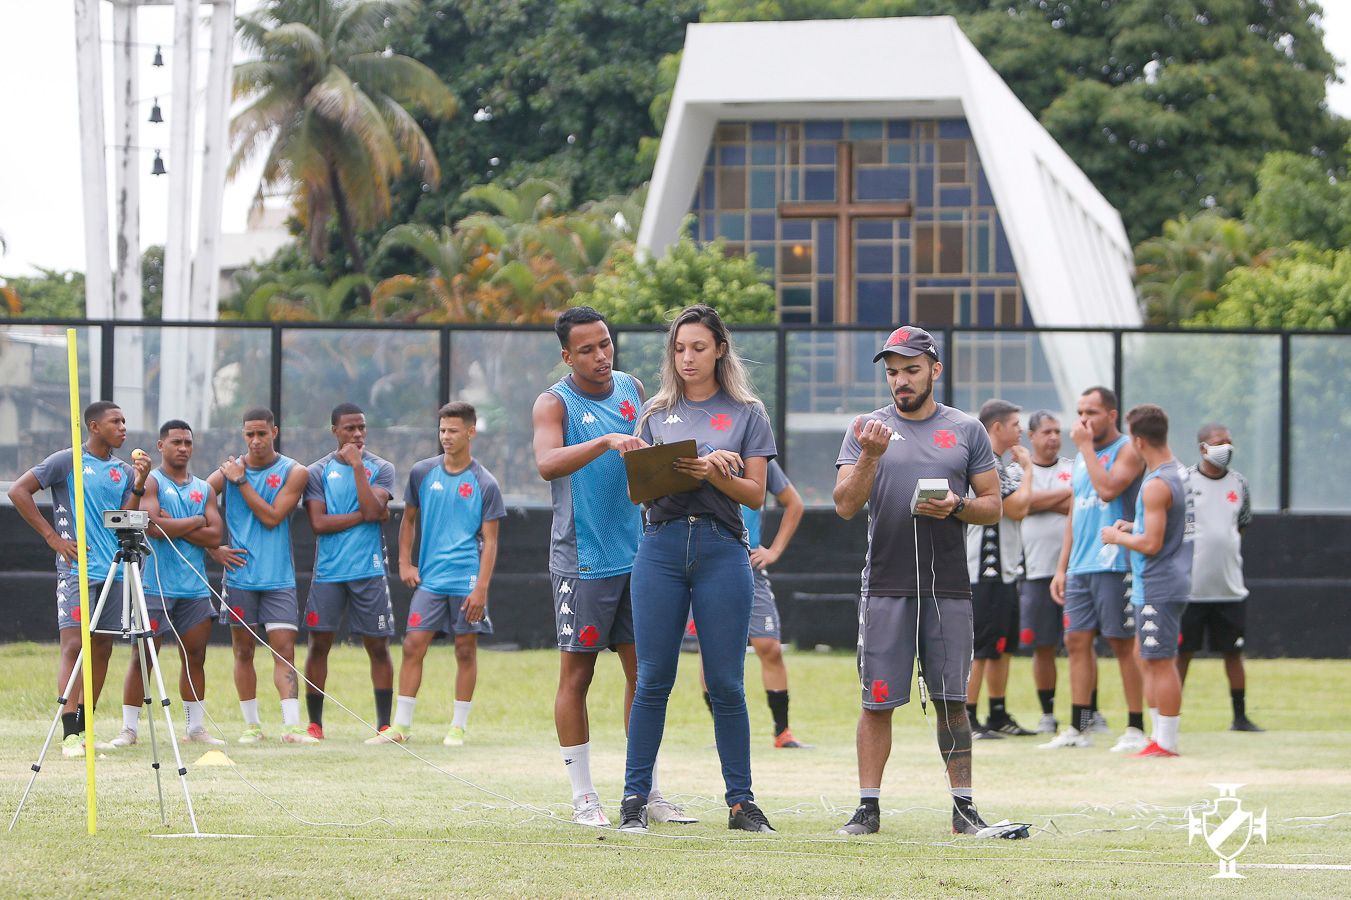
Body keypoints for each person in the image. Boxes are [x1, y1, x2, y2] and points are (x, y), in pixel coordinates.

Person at [833, 326, 1021, 839]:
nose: (901, 380)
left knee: (951, 700)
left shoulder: (966, 430)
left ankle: (964, 809)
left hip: (948, 588)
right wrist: (870, 455)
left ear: (935, 370)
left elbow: (992, 507)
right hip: (884, 586)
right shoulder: (865, 429)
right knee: (877, 701)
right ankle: (867, 808)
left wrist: (956, 505)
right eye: (893, 372)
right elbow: (845, 504)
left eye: (911, 370)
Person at [618, 304, 778, 835]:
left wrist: (712, 470)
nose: (687, 358)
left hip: (723, 549)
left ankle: (741, 804)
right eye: (680, 348)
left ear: (720, 350)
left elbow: (754, 494)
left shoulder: (748, 412)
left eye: (699, 348)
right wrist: (674, 466)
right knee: (652, 680)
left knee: (727, 683)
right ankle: (634, 799)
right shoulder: (654, 413)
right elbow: (639, 492)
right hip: (660, 548)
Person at [532, 306, 692, 828]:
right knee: (577, 675)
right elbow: (546, 463)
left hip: (639, 556)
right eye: (587, 349)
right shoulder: (554, 403)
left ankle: (645, 792)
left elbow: (649, 459)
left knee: (644, 677)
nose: (601, 356)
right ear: (567, 356)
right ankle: (583, 797)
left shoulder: (631, 387)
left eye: (605, 343)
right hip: (582, 561)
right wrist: (604, 440)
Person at [372, 402, 505, 746]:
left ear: (471, 432)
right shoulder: (422, 473)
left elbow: (491, 541)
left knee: (465, 649)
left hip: (466, 580)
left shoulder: (485, 483)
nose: (446, 436)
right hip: (430, 580)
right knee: (413, 644)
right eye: (442, 430)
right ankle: (401, 726)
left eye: (453, 430)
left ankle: (457, 727)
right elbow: (408, 520)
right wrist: (404, 564)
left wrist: (481, 589)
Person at [8, 401, 134, 759]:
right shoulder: (66, 461)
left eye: (124, 421)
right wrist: (53, 537)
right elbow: (18, 491)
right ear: (94, 426)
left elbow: (125, 517)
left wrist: (140, 483)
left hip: (114, 571)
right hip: (77, 570)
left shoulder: (124, 471)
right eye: (115, 421)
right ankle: (69, 733)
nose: (123, 427)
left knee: (103, 647)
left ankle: (85, 727)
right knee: (74, 646)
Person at [1044, 386, 1147, 752]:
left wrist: (1086, 448)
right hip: (1080, 566)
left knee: (1121, 643)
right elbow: (1076, 513)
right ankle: (1079, 726)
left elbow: (1108, 490)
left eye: (1092, 412)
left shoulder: (1128, 449)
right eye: (1080, 413)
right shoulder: (1082, 457)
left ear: (1112, 415)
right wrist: (1062, 567)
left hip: (1115, 562)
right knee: (1076, 642)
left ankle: (1136, 727)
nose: (1083, 420)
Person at [111, 420, 226, 747]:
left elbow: (216, 535)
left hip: (194, 588)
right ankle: (129, 730)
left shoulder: (204, 488)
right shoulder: (152, 482)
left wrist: (176, 523)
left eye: (188, 442)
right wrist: (197, 521)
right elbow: (154, 528)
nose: (183, 448)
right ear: (161, 446)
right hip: (154, 586)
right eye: (176, 442)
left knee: (196, 656)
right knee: (143, 657)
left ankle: (195, 728)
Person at [205, 407, 315, 744]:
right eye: (249, 435)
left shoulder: (294, 472)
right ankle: (252, 726)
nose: (255, 441)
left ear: (274, 433)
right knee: (243, 651)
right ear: (243, 435)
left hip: (278, 578)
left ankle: (292, 727)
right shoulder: (226, 473)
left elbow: (272, 517)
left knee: (284, 650)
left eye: (262, 434)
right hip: (240, 579)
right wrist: (214, 548)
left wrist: (241, 481)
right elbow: (197, 500)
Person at [690, 460, 809, 748]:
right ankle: (723, 732)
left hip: (749, 565)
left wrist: (774, 551)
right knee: (712, 650)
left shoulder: (760, 459)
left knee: (769, 646)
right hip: (706, 564)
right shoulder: (695, 452)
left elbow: (794, 503)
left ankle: (782, 733)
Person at [1099, 404, 1193, 757]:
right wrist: (1134, 525)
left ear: (1138, 441)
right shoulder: (1179, 471)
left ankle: (1166, 742)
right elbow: (1163, 527)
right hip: (1166, 579)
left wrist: (1117, 536)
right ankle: (1158, 736)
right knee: (1144, 654)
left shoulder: (1156, 484)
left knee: (1161, 660)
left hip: (1159, 582)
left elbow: (1152, 544)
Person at [302, 403, 397, 740]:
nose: (357, 434)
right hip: (328, 573)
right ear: (335, 431)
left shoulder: (381, 468)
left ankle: (384, 724)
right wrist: (367, 515)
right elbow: (319, 523)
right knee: (319, 645)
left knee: (378, 646)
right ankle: (315, 725)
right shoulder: (317, 472)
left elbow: (373, 508)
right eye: (349, 429)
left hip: (369, 572)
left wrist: (358, 468)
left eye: (362, 428)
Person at [1179, 423, 1262, 732]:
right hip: (1191, 590)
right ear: (1203, 448)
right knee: (1182, 654)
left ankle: (1240, 718)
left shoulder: (1239, 483)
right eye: (1218, 442)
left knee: (1233, 653)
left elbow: (1241, 525)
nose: (1226, 448)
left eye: (1229, 442)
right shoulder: (1185, 481)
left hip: (1229, 589)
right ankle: (1171, 718)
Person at [964, 400, 1035, 739]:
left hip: (1005, 572)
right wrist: (1029, 470)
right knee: (980, 647)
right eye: (1015, 424)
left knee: (1002, 646)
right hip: (984, 572)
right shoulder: (986, 463)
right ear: (996, 428)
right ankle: (967, 716)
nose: (1021, 430)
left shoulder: (1001, 465)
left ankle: (997, 713)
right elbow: (1018, 508)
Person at [1017, 410, 1074, 734]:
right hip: (1036, 571)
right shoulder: (1019, 471)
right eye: (1047, 432)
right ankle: (1048, 714)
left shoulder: (1074, 468)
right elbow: (1020, 504)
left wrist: (1037, 502)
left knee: (1080, 643)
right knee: (1043, 646)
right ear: (1032, 436)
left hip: (1074, 571)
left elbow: (1080, 504)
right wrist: (1065, 497)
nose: (1053, 437)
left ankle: (1087, 714)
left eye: (1057, 431)